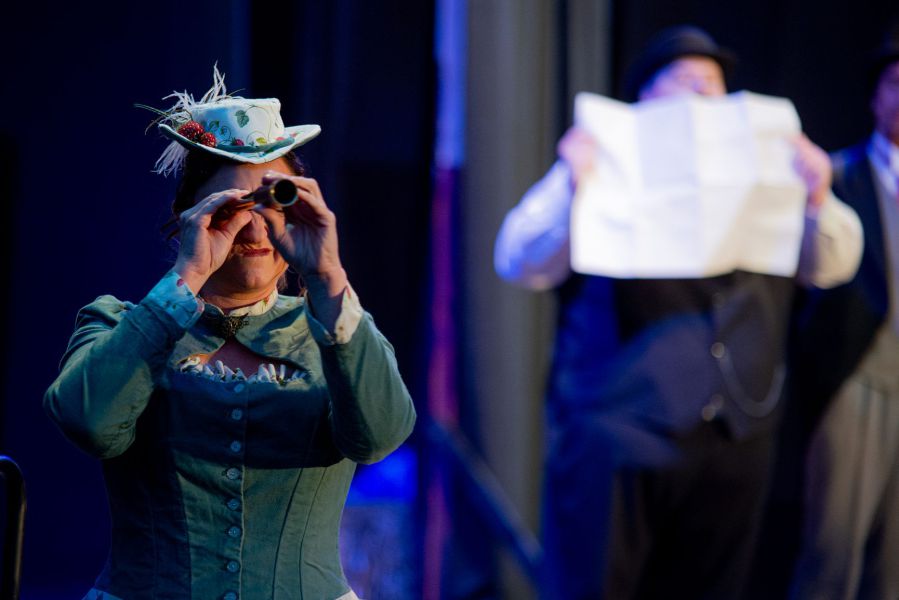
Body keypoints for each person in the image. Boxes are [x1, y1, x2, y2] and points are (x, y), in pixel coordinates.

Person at [493, 26, 863, 599]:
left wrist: (816, 195)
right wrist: (572, 178)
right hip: (621, 431)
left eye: (711, 85)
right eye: (684, 81)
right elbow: (518, 259)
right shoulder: (603, 164)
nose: (701, 94)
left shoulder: (766, 171)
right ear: (645, 100)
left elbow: (833, 265)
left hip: (734, 436)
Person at [44, 68, 416, 600]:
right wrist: (188, 276)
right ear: (187, 216)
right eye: (232, 207)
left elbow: (380, 436)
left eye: (276, 201)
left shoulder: (336, 330)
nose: (257, 225)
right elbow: (90, 424)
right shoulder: (117, 324)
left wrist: (328, 276)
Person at [789, 27, 899, 600]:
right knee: (834, 550)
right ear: (875, 96)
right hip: (855, 377)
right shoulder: (836, 177)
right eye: (896, 85)